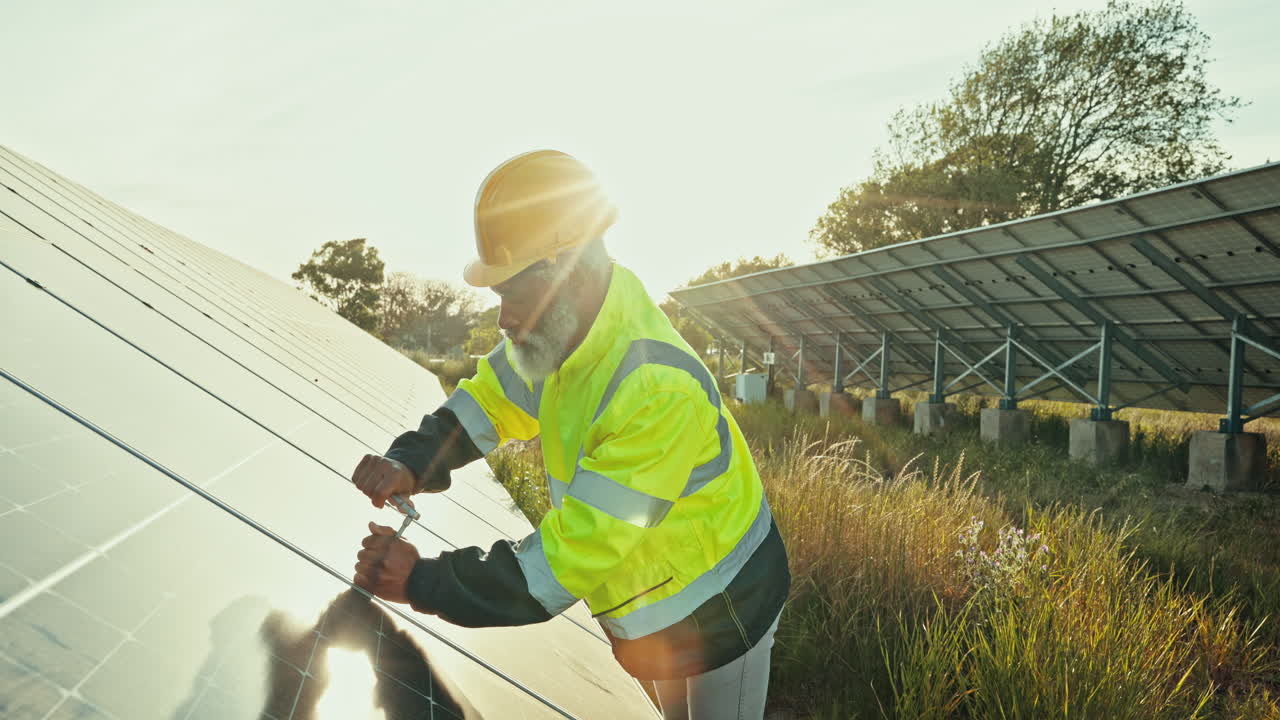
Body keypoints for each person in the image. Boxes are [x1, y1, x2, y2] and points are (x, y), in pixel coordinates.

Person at [351, 149, 790, 719]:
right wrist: (409, 462)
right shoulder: (559, 334)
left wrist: (423, 581)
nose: (504, 318)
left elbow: (574, 553)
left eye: (513, 293)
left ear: (572, 274)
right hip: (660, 606)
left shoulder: (655, 387)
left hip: (725, 602)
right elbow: (485, 404)